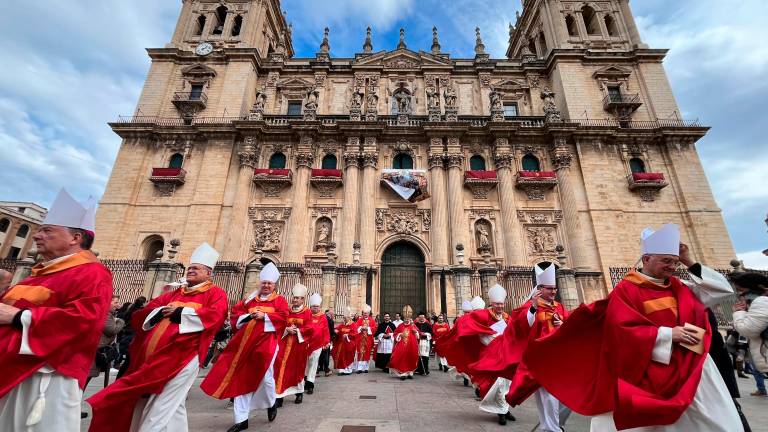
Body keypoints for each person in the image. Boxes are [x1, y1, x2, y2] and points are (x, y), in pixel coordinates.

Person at [525, 223, 743, 431]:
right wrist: (667, 334)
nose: (672, 267)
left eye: (675, 262)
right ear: (646, 259)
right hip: (650, 365)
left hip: (692, 366)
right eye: (666, 260)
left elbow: (720, 291)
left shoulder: (682, 287)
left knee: (717, 421)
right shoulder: (627, 290)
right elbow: (619, 329)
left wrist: (689, 261)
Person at [0, 189, 112, 431]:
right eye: (39, 230)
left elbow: (86, 320)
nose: (37, 236)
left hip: (46, 374)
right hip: (12, 367)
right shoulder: (40, 273)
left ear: (76, 238)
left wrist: (19, 317)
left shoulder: (92, 273)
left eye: (47, 230)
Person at [88, 242, 228, 432]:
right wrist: (162, 310)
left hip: (184, 356)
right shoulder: (175, 292)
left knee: (162, 404)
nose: (191, 271)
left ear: (208, 273)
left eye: (196, 268)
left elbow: (216, 316)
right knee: (173, 406)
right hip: (156, 357)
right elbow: (145, 312)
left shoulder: (215, 293)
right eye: (190, 268)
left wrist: (180, 312)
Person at [471, 263, 569, 431]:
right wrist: (533, 307)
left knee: (567, 398)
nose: (554, 291)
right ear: (539, 289)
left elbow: (568, 328)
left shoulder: (559, 307)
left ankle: (553, 426)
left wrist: (563, 325)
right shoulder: (530, 307)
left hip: (559, 358)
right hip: (539, 360)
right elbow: (520, 326)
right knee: (548, 397)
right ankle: (551, 428)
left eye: (555, 288)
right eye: (549, 288)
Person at [200, 262, 288, 432]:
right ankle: (241, 419)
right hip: (243, 345)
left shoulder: (280, 300)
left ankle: (271, 403)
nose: (266, 285)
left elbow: (284, 318)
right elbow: (235, 314)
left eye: (269, 283)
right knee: (241, 377)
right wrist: (248, 316)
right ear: (260, 283)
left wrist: (265, 316)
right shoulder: (249, 300)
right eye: (264, 283)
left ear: (274, 285)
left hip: (266, 343)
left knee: (266, 378)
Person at [273, 284, 313, 407]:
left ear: (302, 299)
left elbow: (310, 328)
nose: (295, 300)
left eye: (297, 298)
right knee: (281, 367)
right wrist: (286, 329)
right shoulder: (287, 311)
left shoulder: (307, 312)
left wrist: (298, 331)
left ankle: (299, 392)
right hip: (285, 344)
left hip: (298, 345)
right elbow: (280, 324)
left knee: (297, 369)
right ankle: (279, 395)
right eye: (294, 297)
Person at [731, 271, 768, 397]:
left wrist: (738, 313)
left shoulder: (760, 302)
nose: (739, 294)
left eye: (740, 289)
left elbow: (747, 329)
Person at [87, 295, 125, 389]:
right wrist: (120, 321)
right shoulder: (107, 314)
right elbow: (112, 330)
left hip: (100, 349)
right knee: (87, 377)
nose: (118, 305)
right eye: (115, 302)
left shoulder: (109, 313)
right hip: (98, 350)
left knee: (88, 377)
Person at [304, 293, 329, 395]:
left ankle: (310, 384)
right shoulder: (306, 314)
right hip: (305, 344)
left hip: (317, 344)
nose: (316, 308)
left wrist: (326, 341)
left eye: (317, 306)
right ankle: (304, 381)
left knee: (313, 364)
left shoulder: (323, 317)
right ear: (311, 307)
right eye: (314, 306)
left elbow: (325, 330)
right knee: (305, 364)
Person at [389, 305, 420, 380]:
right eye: (405, 319)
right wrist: (400, 334)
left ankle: (410, 372)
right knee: (402, 358)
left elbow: (418, 336)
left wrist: (416, 332)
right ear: (404, 318)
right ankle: (403, 373)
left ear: (410, 318)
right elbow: (395, 334)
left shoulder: (413, 326)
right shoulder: (400, 326)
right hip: (402, 345)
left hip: (412, 346)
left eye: (408, 318)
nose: (407, 320)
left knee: (411, 357)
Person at [333, 308, 357, 375]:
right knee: (341, 357)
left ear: (349, 318)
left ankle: (348, 370)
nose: (344, 319)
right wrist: (336, 331)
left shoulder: (353, 325)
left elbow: (355, 334)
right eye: (344, 317)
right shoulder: (342, 324)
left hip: (350, 344)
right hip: (341, 344)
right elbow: (338, 329)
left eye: (346, 317)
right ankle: (342, 370)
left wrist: (347, 335)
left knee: (348, 357)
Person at [354, 304, 376, 373]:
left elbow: (375, 328)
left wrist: (368, 328)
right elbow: (356, 327)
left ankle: (366, 368)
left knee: (367, 353)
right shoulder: (360, 320)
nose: (365, 314)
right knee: (360, 353)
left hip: (368, 339)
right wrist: (361, 328)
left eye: (366, 313)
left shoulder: (372, 320)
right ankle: (360, 368)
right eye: (364, 313)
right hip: (360, 340)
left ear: (369, 313)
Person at [317, 309, 335, 376]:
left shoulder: (320, 319)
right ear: (331, 314)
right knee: (326, 355)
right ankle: (326, 370)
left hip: (318, 339)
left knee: (319, 354)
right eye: (333, 315)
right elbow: (331, 332)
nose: (333, 316)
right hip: (326, 339)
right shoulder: (330, 321)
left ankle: (318, 370)